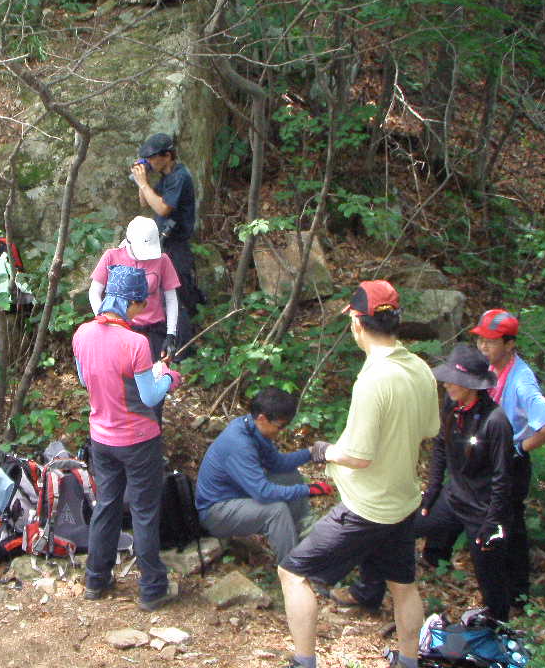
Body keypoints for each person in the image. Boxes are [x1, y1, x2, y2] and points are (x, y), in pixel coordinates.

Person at [279, 280, 440, 668]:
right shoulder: (419, 368)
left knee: (292, 572)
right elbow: (430, 430)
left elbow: (359, 456)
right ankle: (408, 660)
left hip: (367, 507)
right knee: (404, 586)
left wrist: (325, 451)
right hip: (402, 500)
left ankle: (304, 661)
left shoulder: (373, 381)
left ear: (356, 323)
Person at [336, 343, 515, 622]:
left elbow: (504, 479)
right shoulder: (451, 407)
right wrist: (432, 493)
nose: (447, 385)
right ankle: (367, 593)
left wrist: (493, 522)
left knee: (490, 574)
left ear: (472, 384)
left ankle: (497, 628)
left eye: (454, 381)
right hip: (451, 500)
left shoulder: (496, 422)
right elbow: (441, 448)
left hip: (483, 511)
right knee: (388, 526)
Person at [72, 265, 183, 611]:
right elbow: (150, 397)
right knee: (144, 511)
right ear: (133, 303)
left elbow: (84, 378)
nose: (142, 310)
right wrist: (169, 376)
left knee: (106, 505)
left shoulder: (82, 334)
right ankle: (152, 588)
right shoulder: (135, 342)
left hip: (101, 438)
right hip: (138, 439)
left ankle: (96, 578)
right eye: (141, 304)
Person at [195, 387, 334, 605]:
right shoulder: (238, 442)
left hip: (237, 499)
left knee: (289, 476)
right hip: (216, 512)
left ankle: (301, 545)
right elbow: (263, 492)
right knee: (275, 511)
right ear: (262, 418)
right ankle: (293, 575)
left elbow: (278, 464)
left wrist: (310, 453)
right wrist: (308, 490)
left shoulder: (252, 429)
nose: (282, 430)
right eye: (280, 425)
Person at [469, 309, 545, 606]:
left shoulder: (521, 381)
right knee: (496, 521)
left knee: (507, 526)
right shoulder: (490, 368)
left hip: (510, 463)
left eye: (492, 342)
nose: (484, 346)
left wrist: (519, 448)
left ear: (510, 344)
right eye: (481, 340)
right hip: (491, 458)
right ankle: (503, 591)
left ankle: (514, 595)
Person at [129, 134, 204, 333]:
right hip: (163, 243)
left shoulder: (180, 176)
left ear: (167, 155)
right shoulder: (167, 178)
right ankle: (175, 333)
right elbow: (145, 202)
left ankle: (186, 340)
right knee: (165, 292)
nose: (151, 162)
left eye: (153, 158)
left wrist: (144, 184)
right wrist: (140, 182)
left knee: (178, 292)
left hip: (177, 244)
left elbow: (163, 209)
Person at [89, 215, 180, 362]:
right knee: (127, 378)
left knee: (155, 374)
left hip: (155, 329)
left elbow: (171, 299)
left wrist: (171, 334)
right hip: (122, 328)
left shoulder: (162, 260)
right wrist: (105, 322)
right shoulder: (111, 256)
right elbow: (94, 291)